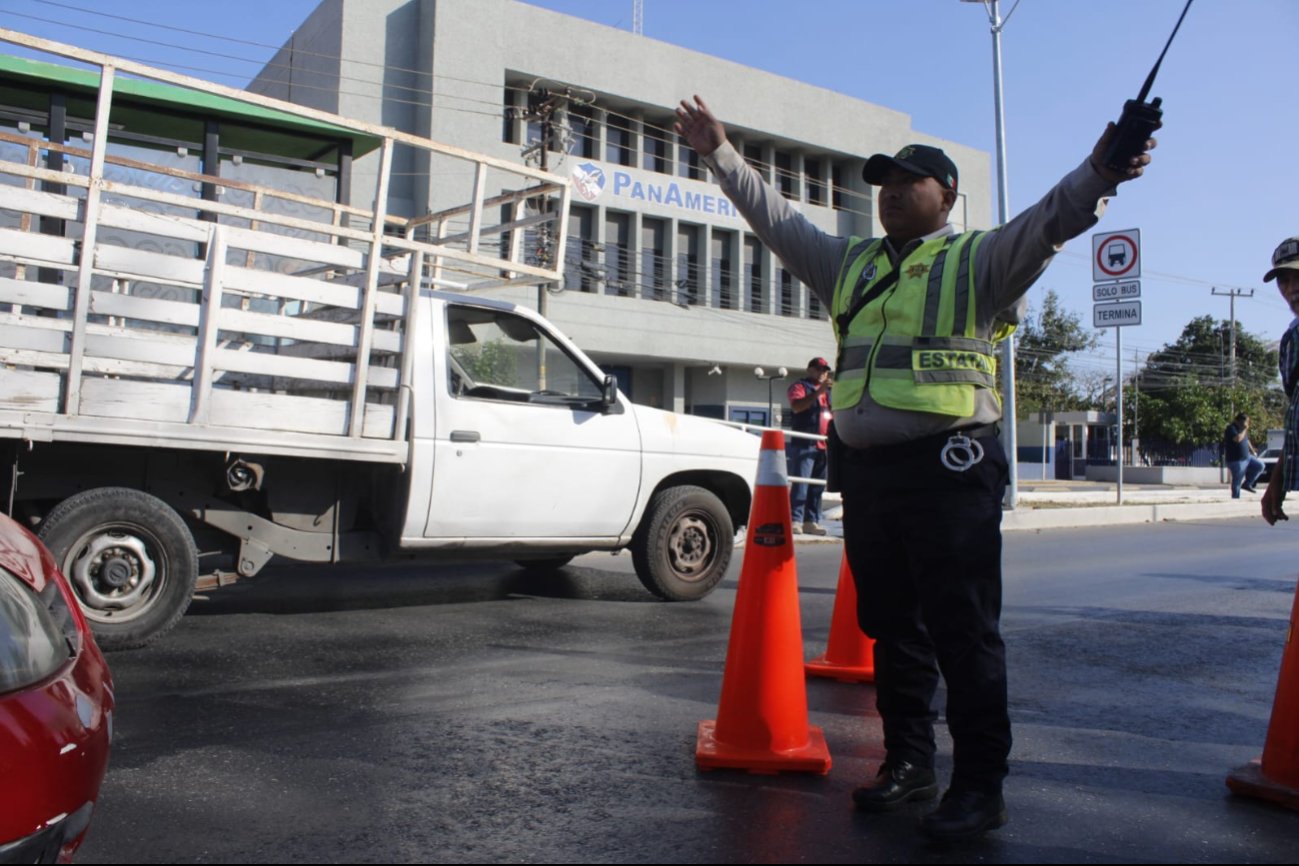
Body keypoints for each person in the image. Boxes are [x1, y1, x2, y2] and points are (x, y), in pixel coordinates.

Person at [675, 95, 1154, 841]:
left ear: (946, 197)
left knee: (963, 629)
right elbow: (777, 221)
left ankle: (978, 785)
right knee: (890, 625)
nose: (891, 192)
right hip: (869, 473)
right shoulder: (850, 264)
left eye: (909, 181)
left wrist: (1102, 169)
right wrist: (720, 154)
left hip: (950, 467)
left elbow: (1054, 216)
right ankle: (908, 763)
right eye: (883, 183)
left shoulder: (979, 260)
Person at [1262, 237, 1299, 526]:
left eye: (1298, 277)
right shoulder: (1291, 340)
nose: (1292, 289)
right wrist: (1278, 479)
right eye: (1284, 280)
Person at [787, 357, 833, 536]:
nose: (823, 373)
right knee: (802, 483)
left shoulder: (828, 393)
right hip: (805, 444)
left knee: (817, 486)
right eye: (819, 369)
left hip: (823, 445)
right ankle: (795, 519)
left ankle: (811, 520)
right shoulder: (800, 386)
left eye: (825, 370)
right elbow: (797, 406)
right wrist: (818, 392)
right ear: (810, 370)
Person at [1223, 412, 1264, 498]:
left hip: (1247, 457)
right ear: (1239, 421)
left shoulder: (1242, 429)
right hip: (1236, 459)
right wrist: (1244, 429)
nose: (1247, 424)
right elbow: (1237, 439)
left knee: (1260, 465)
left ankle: (1247, 483)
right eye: (1246, 422)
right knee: (1237, 479)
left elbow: (1246, 440)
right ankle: (1235, 497)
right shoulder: (1231, 428)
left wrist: (1252, 450)